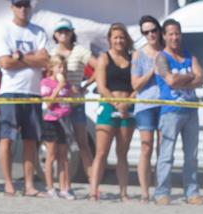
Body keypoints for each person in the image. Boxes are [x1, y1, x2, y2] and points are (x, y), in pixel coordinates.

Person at [0, 0, 49, 197]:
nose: (23, 9)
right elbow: (5, 62)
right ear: (12, 8)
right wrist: (31, 58)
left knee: (30, 140)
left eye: (26, 5)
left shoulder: (39, 31)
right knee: (7, 137)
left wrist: (19, 57)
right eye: (19, 5)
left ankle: (29, 185)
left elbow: (45, 60)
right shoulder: (4, 30)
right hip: (10, 90)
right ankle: (9, 183)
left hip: (33, 91)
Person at [153, 19, 203, 206]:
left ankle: (191, 192)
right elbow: (170, 81)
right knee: (166, 154)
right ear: (164, 36)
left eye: (177, 33)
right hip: (170, 111)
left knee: (191, 155)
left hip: (190, 109)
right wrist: (190, 76)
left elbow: (202, 78)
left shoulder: (189, 56)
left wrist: (183, 78)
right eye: (171, 34)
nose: (175, 37)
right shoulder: (161, 57)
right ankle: (162, 192)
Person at [89, 23, 135, 201]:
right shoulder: (104, 58)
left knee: (122, 153)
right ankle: (94, 191)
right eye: (115, 37)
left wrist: (128, 102)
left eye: (122, 37)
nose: (119, 40)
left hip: (128, 108)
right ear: (110, 39)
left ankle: (123, 192)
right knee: (101, 153)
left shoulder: (132, 59)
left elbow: (137, 85)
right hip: (109, 106)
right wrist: (117, 103)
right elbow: (101, 87)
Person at [50, 18, 97, 184]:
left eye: (66, 31)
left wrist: (85, 85)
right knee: (58, 146)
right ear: (55, 35)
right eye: (60, 31)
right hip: (57, 106)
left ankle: (93, 184)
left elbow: (99, 67)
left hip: (76, 104)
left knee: (83, 143)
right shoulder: (51, 53)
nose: (63, 34)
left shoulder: (80, 51)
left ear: (71, 33)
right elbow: (47, 77)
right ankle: (61, 184)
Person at [131, 15, 164, 204]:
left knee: (163, 148)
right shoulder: (139, 54)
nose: (150, 34)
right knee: (146, 147)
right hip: (145, 105)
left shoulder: (166, 51)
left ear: (159, 30)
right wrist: (152, 71)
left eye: (153, 30)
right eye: (146, 32)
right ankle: (144, 192)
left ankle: (160, 190)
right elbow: (135, 85)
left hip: (166, 104)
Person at [40, 55, 74, 199]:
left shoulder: (66, 84)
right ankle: (50, 187)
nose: (62, 69)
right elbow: (47, 103)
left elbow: (68, 101)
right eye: (59, 66)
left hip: (64, 119)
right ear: (51, 68)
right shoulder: (46, 82)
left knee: (63, 155)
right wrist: (58, 88)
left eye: (63, 67)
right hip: (51, 120)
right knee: (51, 154)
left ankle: (64, 188)